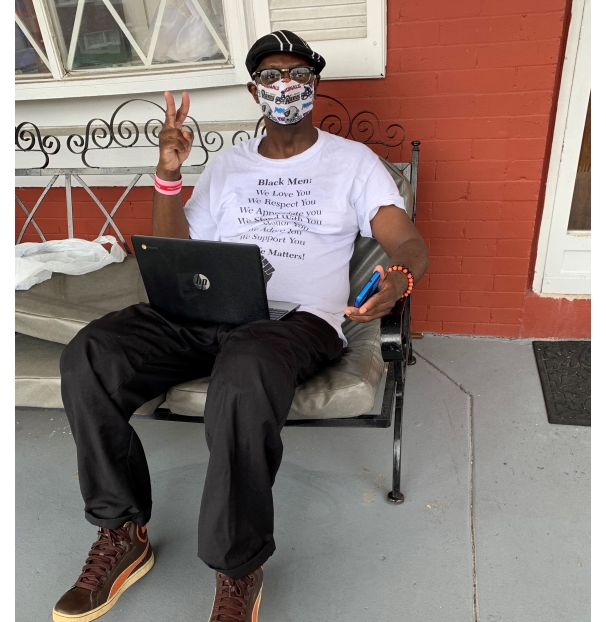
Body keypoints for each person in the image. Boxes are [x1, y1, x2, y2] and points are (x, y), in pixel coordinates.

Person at [52, 30, 429, 622]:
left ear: (315, 85)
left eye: (298, 75)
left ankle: (237, 565)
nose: (285, 86)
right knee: (89, 357)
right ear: (255, 90)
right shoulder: (228, 166)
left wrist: (399, 277)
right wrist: (168, 174)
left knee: (244, 373)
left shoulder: (353, 163)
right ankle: (123, 533)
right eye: (271, 76)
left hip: (296, 322)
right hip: (208, 311)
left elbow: (403, 238)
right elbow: (175, 248)